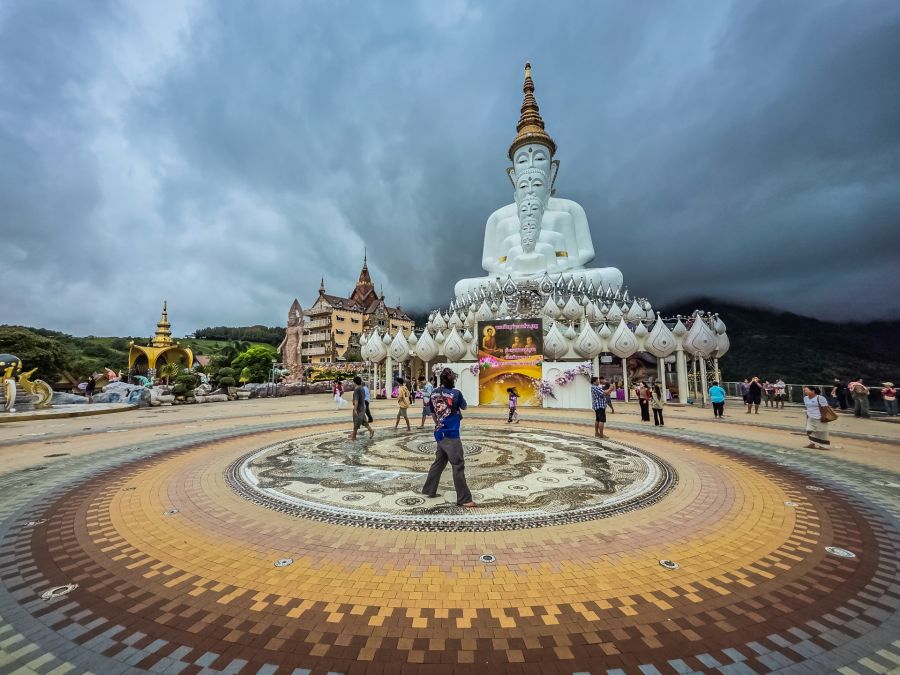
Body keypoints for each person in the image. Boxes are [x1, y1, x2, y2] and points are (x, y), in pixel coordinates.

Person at [421, 368, 476, 507]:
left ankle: (429, 489)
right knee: (458, 465)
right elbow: (465, 407)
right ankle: (464, 499)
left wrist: (438, 424)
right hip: (451, 435)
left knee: (439, 463)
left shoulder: (434, 393)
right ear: (452, 380)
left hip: (440, 433)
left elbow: (433, 413)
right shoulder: (456, 393)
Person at [803, 385, 831, 450]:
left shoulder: (820, 398)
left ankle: (824, 446)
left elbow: (825, 407)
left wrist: (823, 416)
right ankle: (812, 443)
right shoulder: (805, 398)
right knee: (809, 430)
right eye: (805, 390)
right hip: (810, 417)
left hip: (819, 417)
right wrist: (807, 415)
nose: (805, 391)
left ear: (813, 391)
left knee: (821, 432)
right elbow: (807, 407)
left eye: (807, 390)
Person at [350, 376, 374, 440]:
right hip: (363, 408)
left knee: (356, 423)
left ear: (355, 382)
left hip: (358, 409)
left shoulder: (357, 390)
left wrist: (355, 409)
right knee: (364, 422)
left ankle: (353, 437)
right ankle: (371, 431)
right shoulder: (362, 388)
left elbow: (356, 400)